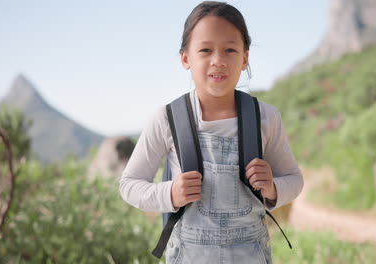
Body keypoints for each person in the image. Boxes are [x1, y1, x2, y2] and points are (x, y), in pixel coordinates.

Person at [119, 1, 304, 263]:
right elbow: (129, 185)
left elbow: (295, 180)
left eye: (230, 49)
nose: (218, 61)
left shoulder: (266, 117)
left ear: (245, 58)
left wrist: (272, 187)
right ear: (186, 58)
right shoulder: (167, 118)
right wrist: (170, 194)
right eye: (205, 50)